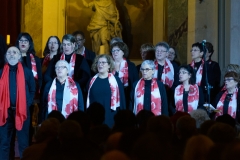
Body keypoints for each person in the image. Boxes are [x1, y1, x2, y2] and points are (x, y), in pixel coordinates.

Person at [0, 47, 35, 159]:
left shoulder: (27, 72)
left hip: (22, 111)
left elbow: (32, 89)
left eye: (14, 52)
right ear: (6, 56)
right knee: (5, 143)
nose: (11, 54)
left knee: (23, 143)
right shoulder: (1, 72)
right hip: (5, 112)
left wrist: (27, 103)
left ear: (19, 56)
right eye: (9, 52)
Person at [86, 54, 126, 127]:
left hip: (111, 114)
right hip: (95, 116)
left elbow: (122, 100)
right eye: (98, 62)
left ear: (109, 65)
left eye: (103, 62)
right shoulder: (91, 80)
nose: (100, 64)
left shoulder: (116, 80)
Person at [110, 42, 139, 109]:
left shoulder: (131, 66)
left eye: (117, 50)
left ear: (123, 52)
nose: (115, 52)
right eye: (113, 51)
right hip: (112, 95)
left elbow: (135, 82)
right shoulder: (108, 65)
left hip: (127, 95)